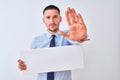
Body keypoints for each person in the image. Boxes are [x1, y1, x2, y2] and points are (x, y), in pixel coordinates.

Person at [18, 5, 88, 80]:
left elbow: (77, 41)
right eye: (48, 17)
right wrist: (23, 66)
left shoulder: (68, 35)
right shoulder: (36, 41)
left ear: (60, 19)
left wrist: (80, 38)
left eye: (55, 17)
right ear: (43, 20)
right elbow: (31, 64)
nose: (52, 21)